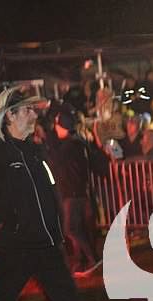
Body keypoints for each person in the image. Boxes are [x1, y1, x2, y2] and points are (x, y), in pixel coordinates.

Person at [0, 86, 125, 301]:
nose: (34, 115)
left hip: (45, 242)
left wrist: (55, 228)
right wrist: (15, 222)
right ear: (10, 116)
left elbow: (49, 190)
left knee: (67, 296)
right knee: (3, 300)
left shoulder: (34, 150)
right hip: (15, 245)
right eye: (28, 110)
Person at [48, 106, 100, 275]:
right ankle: (81, 260)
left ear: (63, 127)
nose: (55, 129)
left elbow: (56, 163)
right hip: (77, 192)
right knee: (77, 228)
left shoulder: (68, 147)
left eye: (57, 126)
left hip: (72, 193)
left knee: (71, 229)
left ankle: (92, 259)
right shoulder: (77, 144)